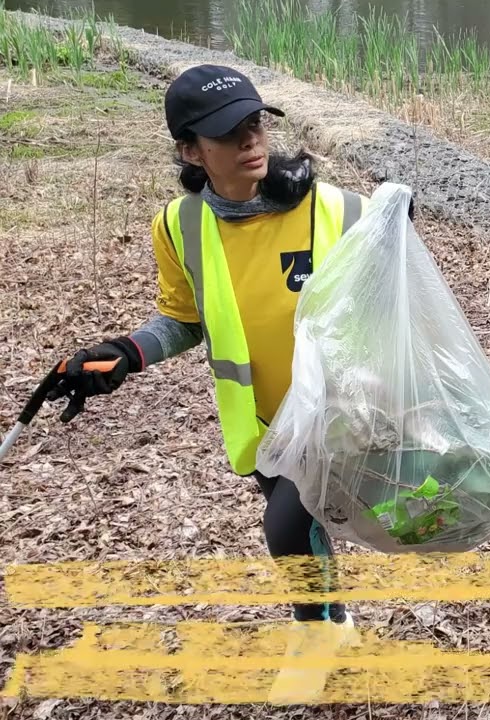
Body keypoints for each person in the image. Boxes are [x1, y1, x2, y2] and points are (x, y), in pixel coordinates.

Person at [45, 64, 391, 704]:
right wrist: (126, 353)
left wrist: (396, 217)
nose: (251, 141)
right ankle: (337, 621)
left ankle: (313, 637)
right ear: (190, 150)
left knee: (286, 529)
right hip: (261, 422)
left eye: (255, 123)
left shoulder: (338, 208)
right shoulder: (179, 226)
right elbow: (182, 320)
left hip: (341, 414)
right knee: (303, 528)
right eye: (229, 133)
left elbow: (399, 287)